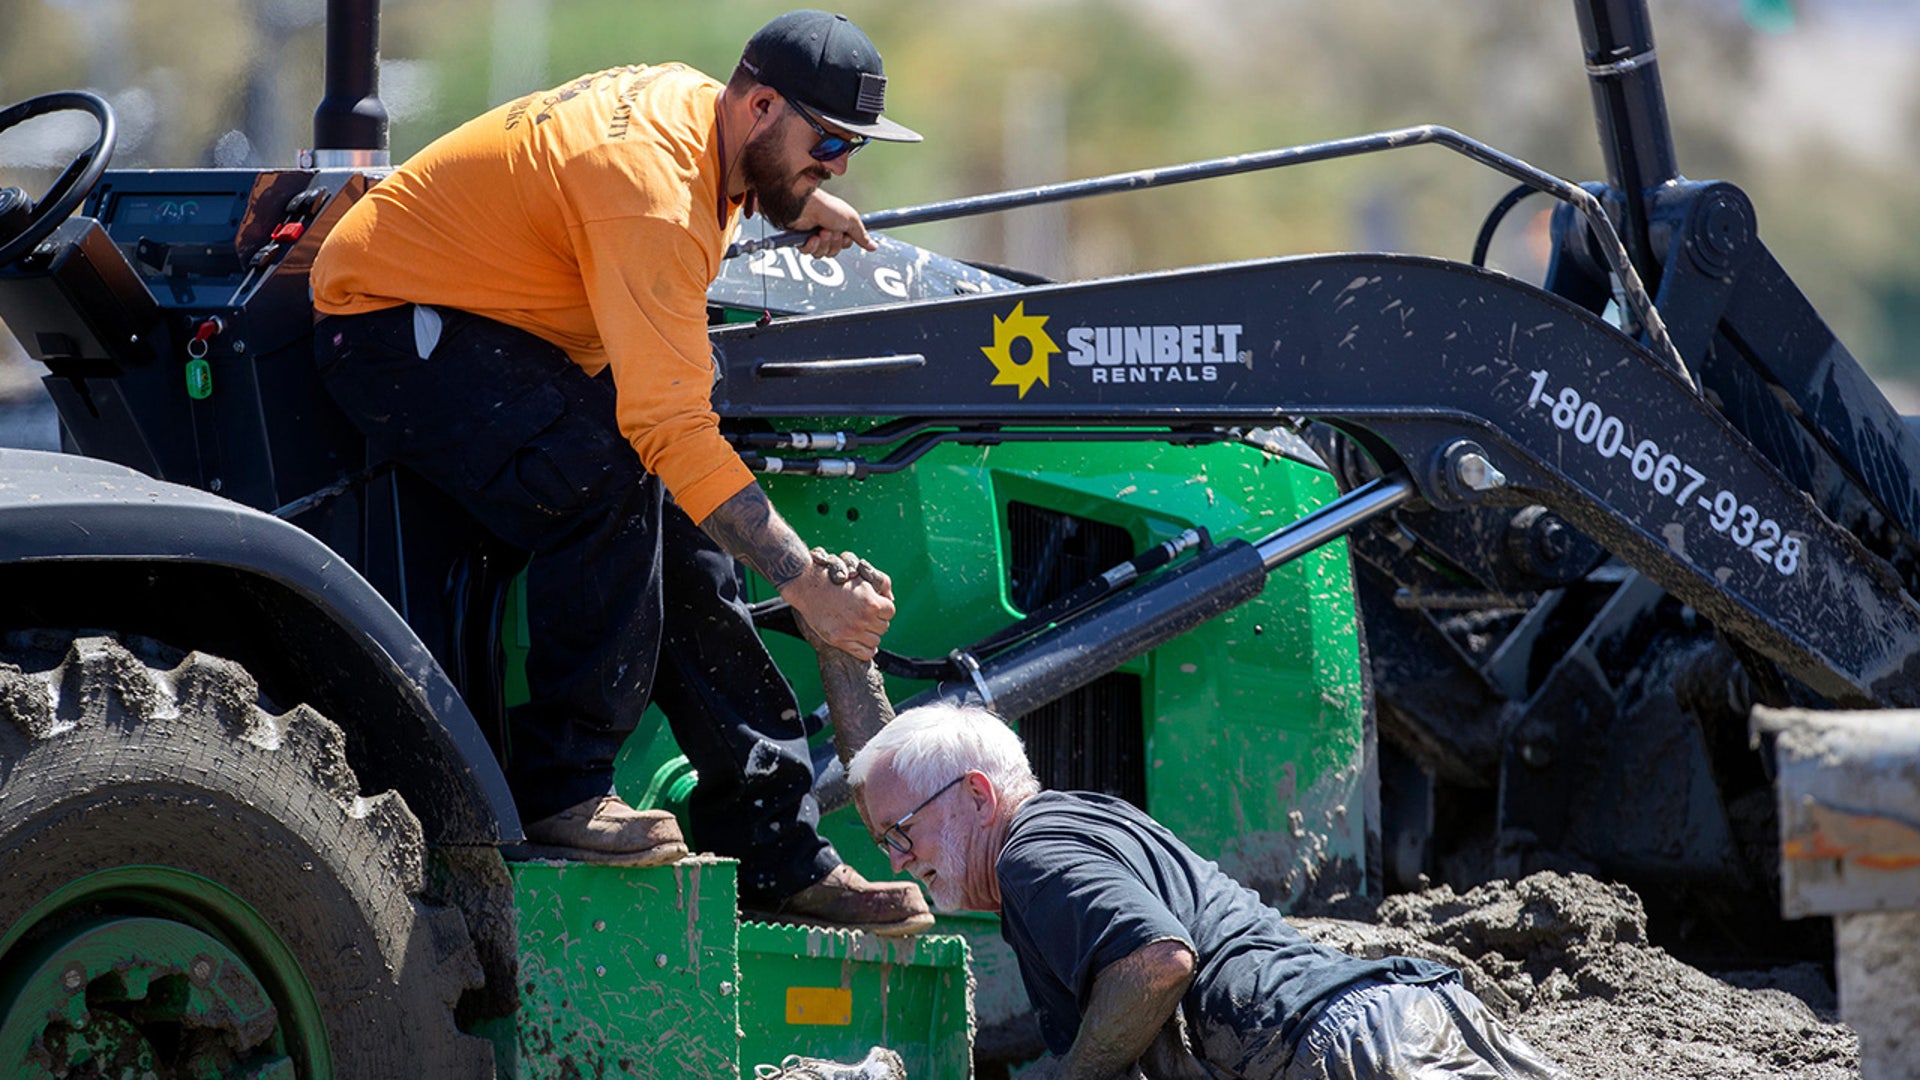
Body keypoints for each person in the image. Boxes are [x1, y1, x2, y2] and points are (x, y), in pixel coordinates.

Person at [309, 10, 931, 936]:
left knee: (697, 541)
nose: (840, 166)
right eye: (829, 145)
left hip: (495, 318)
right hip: (389, 323)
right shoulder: (651, 192)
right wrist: (806, 584)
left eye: (852, 150)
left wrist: (797, 199)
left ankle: (776, 848)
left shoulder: (706, 117)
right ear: (762, 105)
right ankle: (563, 789)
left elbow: (716, 187)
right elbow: (667, 424)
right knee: (607, 474)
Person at [844, 704, 1573, 1078]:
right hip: (1399, 1020)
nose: (900, 860)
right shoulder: (1073, 826)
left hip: (1345, 1048)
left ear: (977, 796)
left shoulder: (1031, 854)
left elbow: (1156, 960)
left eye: (900, 831)